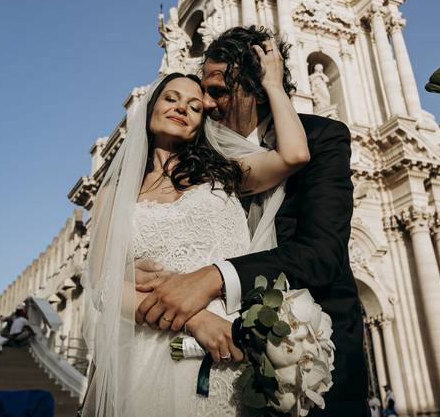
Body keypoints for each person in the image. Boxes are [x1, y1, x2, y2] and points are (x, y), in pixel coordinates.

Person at [134, 25, 368, 415]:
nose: (205, 104)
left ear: (256, 88)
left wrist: (211, 277)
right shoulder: (199, 156)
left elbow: (322, 254)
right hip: (219, 359)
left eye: (218, 91)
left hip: (315, 365)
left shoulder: (322, 137)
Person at [83, 39, 311, 417]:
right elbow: (104, 288)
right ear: (151, 108)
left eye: (194, 106)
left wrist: (273, 82)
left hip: (232, 346)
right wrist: (194, 318)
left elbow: (294, 154)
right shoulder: (113, 197)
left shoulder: (224, 175)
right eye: (171, 99)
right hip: (156, 350)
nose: (182, 109)